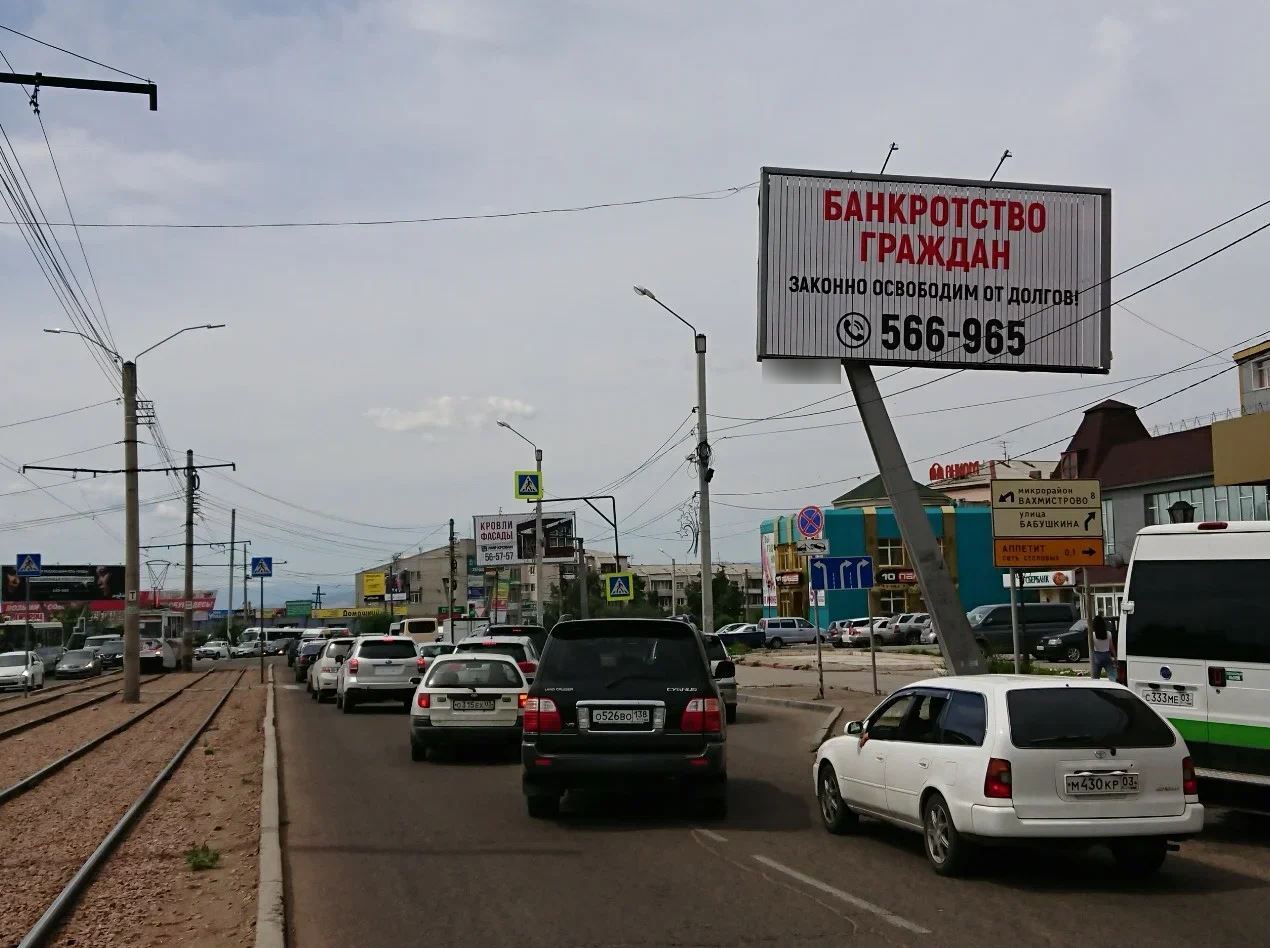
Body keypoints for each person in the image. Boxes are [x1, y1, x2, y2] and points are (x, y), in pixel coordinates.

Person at [1090, 614, 1115, 680]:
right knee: (1112, 676)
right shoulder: (1108, 633)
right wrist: (1115, 657)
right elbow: (1111, 647)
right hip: (1107, 655)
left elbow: (1091, 647)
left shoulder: (1092, 635)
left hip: (1096, 656)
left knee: (1095, 678)